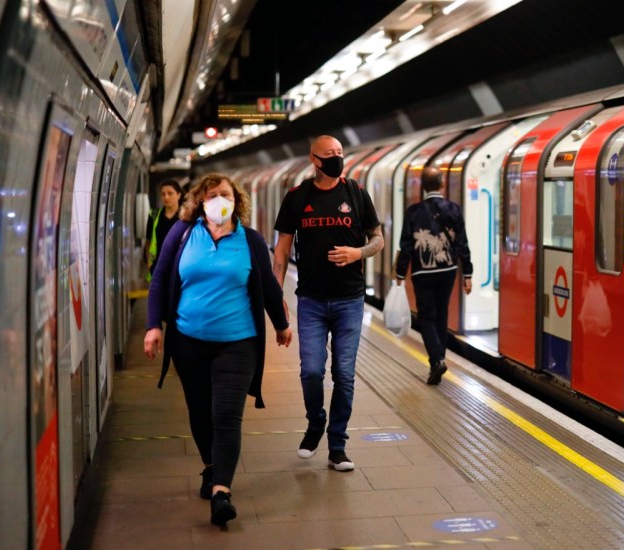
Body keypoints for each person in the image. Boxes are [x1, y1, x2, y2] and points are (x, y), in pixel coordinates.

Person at [143, 173, 292, 527]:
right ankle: (210, 467)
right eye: (212, 195)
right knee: (199, 410)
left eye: (225, 194)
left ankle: (222, 491)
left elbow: (268, 286)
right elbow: (161, 279)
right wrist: (153, 326)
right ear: (199, 201)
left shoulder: (250, 240)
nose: (219, 200)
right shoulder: (182, 235)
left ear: (236, 200)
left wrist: (282, 325)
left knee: (227, 415)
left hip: (238, 343)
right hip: (188, 341)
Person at [272, 135, 384, 472]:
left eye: (340, 152)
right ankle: (315, 422)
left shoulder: (356, 193)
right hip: (311, 299)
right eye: (329, 154)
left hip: (350, 299)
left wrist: (357, 253)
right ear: (314, 160)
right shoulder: (297, 197)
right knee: (311, 371)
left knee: (344, 375)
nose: (337, 158)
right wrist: (277, 296)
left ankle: (337, 445)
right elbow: (281, 250)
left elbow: (378, 239)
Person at [394, 166, 473, 385]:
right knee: (441, 314)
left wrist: (400, 272)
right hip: (448, 271)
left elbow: (406, 245)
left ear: (423, 187)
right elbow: (462, 244)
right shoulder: (454, 209)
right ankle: (440, 358)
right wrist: (467, 273)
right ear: (442, 184)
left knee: (426, 316)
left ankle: (436, 360)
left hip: (423, 272)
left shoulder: (413, 212)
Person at [143, 179, 183, 279]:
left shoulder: (185, 217)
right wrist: (149, 265)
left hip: (181, 267)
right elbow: (148, 241)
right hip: (158, 267)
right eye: (163, 194)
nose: (166, 197)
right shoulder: (154, 215)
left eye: (170, 193)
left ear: (178, 195)